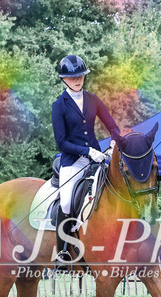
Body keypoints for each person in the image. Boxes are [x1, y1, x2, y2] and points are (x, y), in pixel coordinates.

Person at [51, 55, 120, 266]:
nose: (77, 80)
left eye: (80, 76)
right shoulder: (59, 105)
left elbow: (112, 125)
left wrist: (115, 141)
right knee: (66, 202)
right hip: (72, 161)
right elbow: (61, 143)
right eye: (73, 77)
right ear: (64, 79)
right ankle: (63, 252)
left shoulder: (93, 100)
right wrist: (87, 151)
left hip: (97, 160)